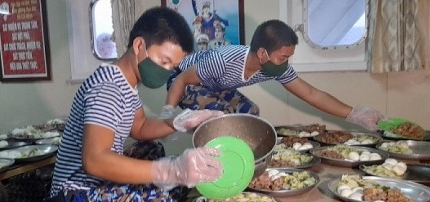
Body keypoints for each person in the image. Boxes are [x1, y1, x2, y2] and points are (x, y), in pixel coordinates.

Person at [46, 7, 223, 202]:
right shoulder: (108, 88)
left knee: (151, 149)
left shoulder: (126, 82)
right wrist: (170, 171)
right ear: (140, 46)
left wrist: (180, 121)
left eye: (173, 67)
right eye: (164, 61)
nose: (167, 71)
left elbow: (139, 127)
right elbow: (95, 160)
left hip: (95, 189)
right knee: (171, 191)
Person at [163, 19, 384, 130]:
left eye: (289, 57)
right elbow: (181, 80)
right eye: (282, 57)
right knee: (218, 116)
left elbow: (311, 93)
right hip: (183, 80)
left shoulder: (275, 67)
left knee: (250, 112)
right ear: (262, 53)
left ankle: (248, 158)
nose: (285, 63)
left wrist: (354, 114)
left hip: (214, 86)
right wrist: (168, 116)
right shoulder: (223, 60)